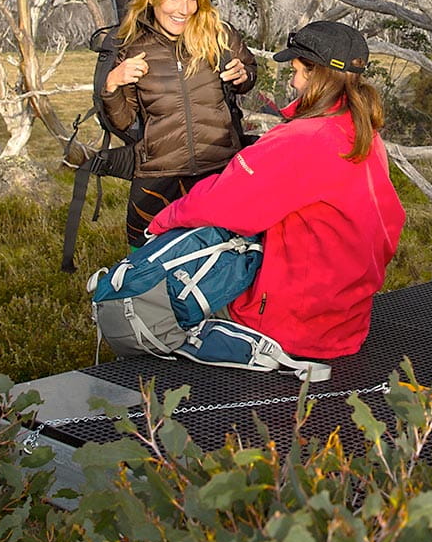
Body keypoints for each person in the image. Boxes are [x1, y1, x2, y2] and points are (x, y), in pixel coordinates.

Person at [146, 20, 405, 359]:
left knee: (163, 308)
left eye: (297, 71)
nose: (293, 80)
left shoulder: (303, 138)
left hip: (292, 327)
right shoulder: (364, 135)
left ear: (316, 75)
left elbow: (225, 201)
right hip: (346, 322)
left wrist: (162, 221)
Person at [102, 0, 258, 248]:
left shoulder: (219, 36)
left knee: (224, 261)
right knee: (146, 262)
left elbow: (249, 74)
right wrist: (113, 83)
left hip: (220, 172)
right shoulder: (132, 47)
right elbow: (121, 121)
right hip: (159, 178)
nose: (184, 10)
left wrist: (243, 75)